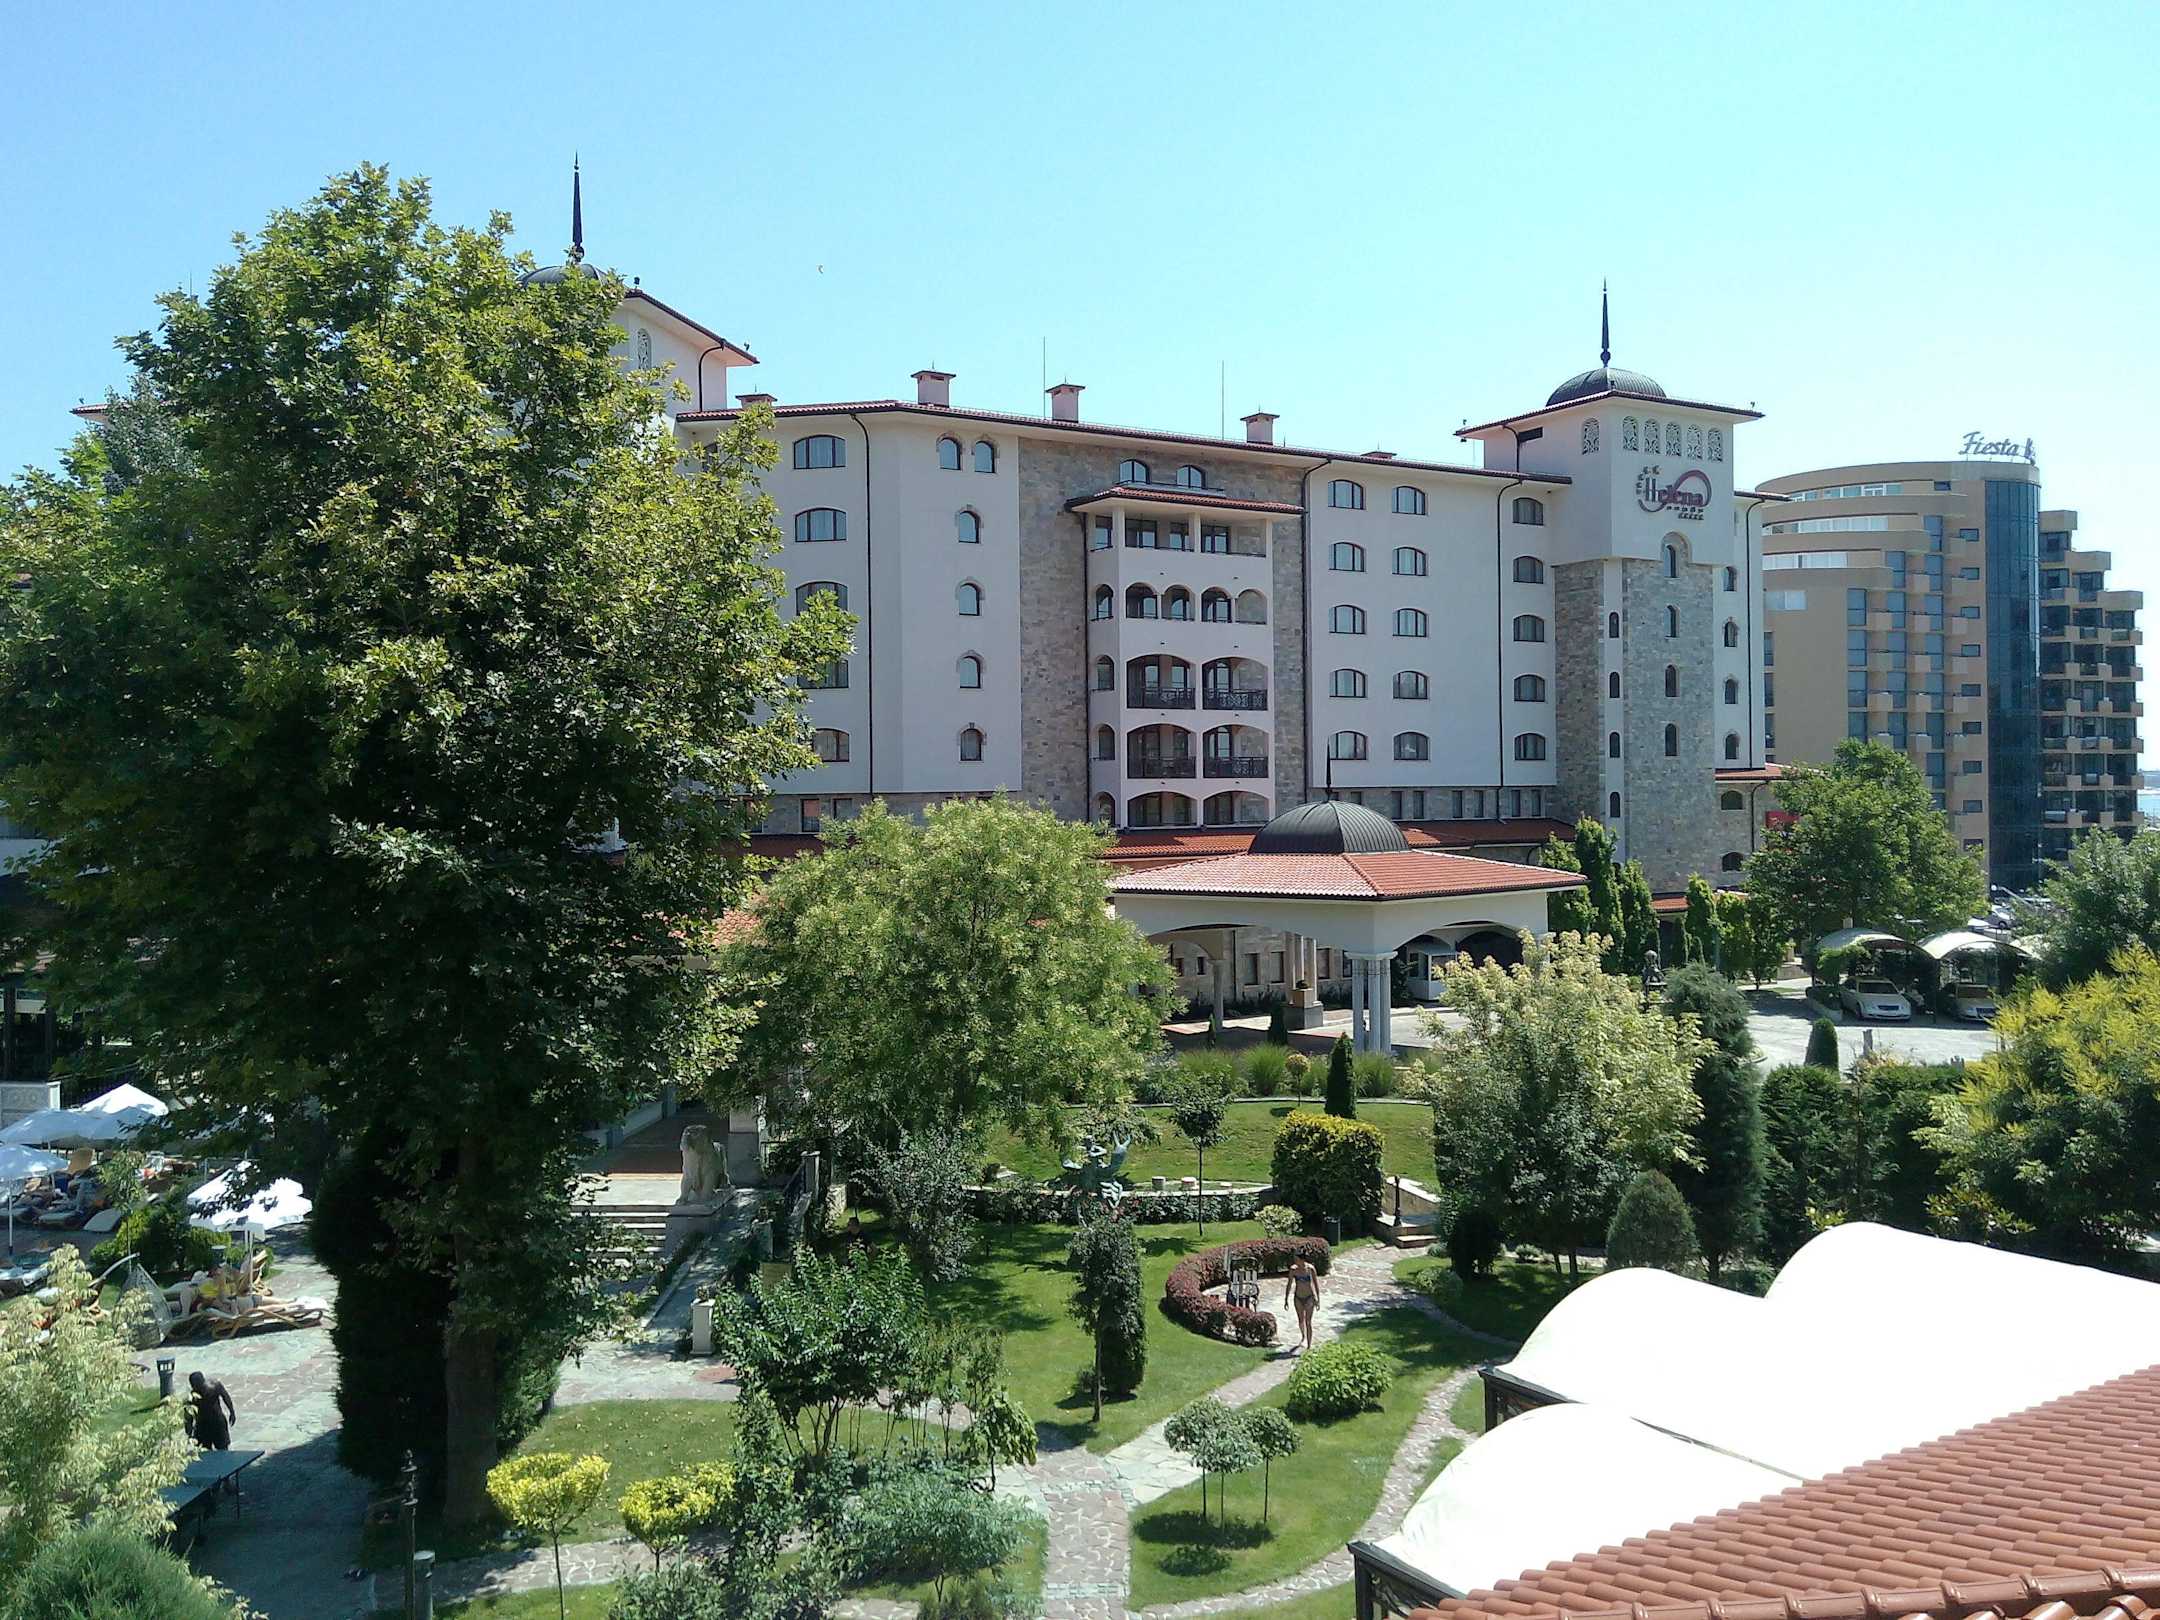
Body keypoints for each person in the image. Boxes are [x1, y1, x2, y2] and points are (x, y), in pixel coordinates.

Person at [186, 1370, 235, 1452]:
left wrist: (232, 1412)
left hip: (217, 1423)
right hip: (202, 1426)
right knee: (204, 1452)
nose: (196, 1387)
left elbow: (226, 1397)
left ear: (203, 1381)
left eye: (197, 1385)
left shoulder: (215, 1386)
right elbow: (188, 1415)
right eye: (194, 1385)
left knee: (223, 1450)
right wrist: (189, 1432)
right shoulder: (192, 1397)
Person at [1282, 1255, 1321, 1353]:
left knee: (1308, 1321)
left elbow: (1315, 1284)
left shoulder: (1310, 1269)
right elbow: (1289, 1284)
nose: (1295, 1261)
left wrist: (1317, 1299)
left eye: (1297, 1259)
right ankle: (1303, 1336)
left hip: (1309, 1297)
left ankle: (1309, 1345)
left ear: (1302, 1259)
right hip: (1298, 1297)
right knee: (1301, 1320)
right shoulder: (1293, 1270)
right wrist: (1286, 1298)